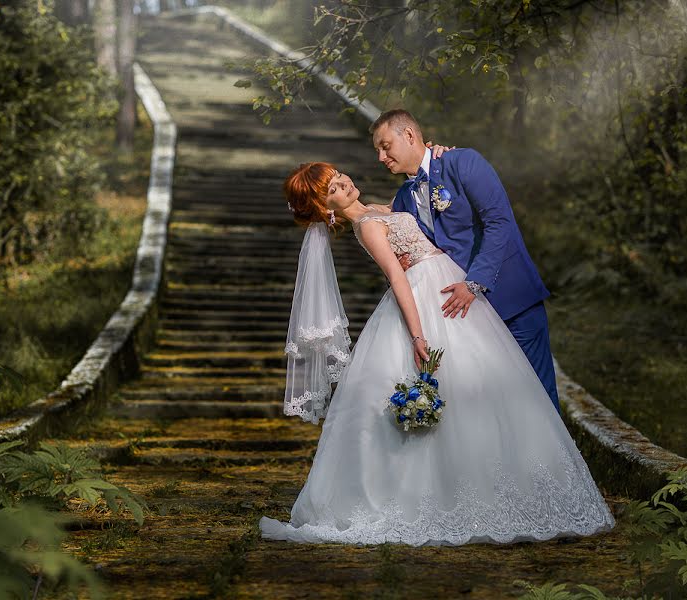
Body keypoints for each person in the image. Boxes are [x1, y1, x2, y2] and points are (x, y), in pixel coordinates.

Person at [258, 163, 615, 546]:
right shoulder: (367, 226)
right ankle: (437, 495)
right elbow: (398, 278)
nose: (343, 183)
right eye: (332, 190)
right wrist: (417, 335)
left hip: (447, 284)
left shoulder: (380, 209)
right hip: (424, 297)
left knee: (485, 381)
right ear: (326, 208)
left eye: (338, 177)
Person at [373, 110, 560, 412]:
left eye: (385, 146)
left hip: (511, 301)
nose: (381, 157)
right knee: (495, 410)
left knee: (539, 402)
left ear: (408, 135)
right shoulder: (405, 197)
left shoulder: (462, 162)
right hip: (468, 323)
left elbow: (500, 223)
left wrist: (474, 284)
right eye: (377, 150)